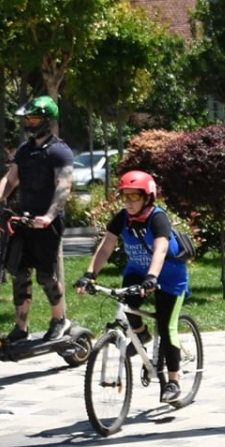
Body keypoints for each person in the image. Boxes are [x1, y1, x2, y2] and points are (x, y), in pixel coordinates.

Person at [77, 170, 189, 404]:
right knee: (126, 308)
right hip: (137, 272)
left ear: (147, 197)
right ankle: (142, 336)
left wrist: (152, 277)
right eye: (125, 196)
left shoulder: (158, 218)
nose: (128, 201)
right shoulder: (122, 218)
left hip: (168, 276)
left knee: (167, 326)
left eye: (134, 197)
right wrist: (89, 275)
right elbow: (106, 247)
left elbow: (160, 249)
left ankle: (173, 381)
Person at [0, 95, 75, 344]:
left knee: (45, 275)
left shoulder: (59, 151)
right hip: (24, 220)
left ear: (47, 120)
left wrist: (50, 216)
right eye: (27, 118)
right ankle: (21, 328)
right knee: (20, 273)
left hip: (46, 222)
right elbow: (10, 181)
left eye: (33, 118)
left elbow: (63, 187)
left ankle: (59, 319)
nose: (29, 123)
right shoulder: (25, 150)